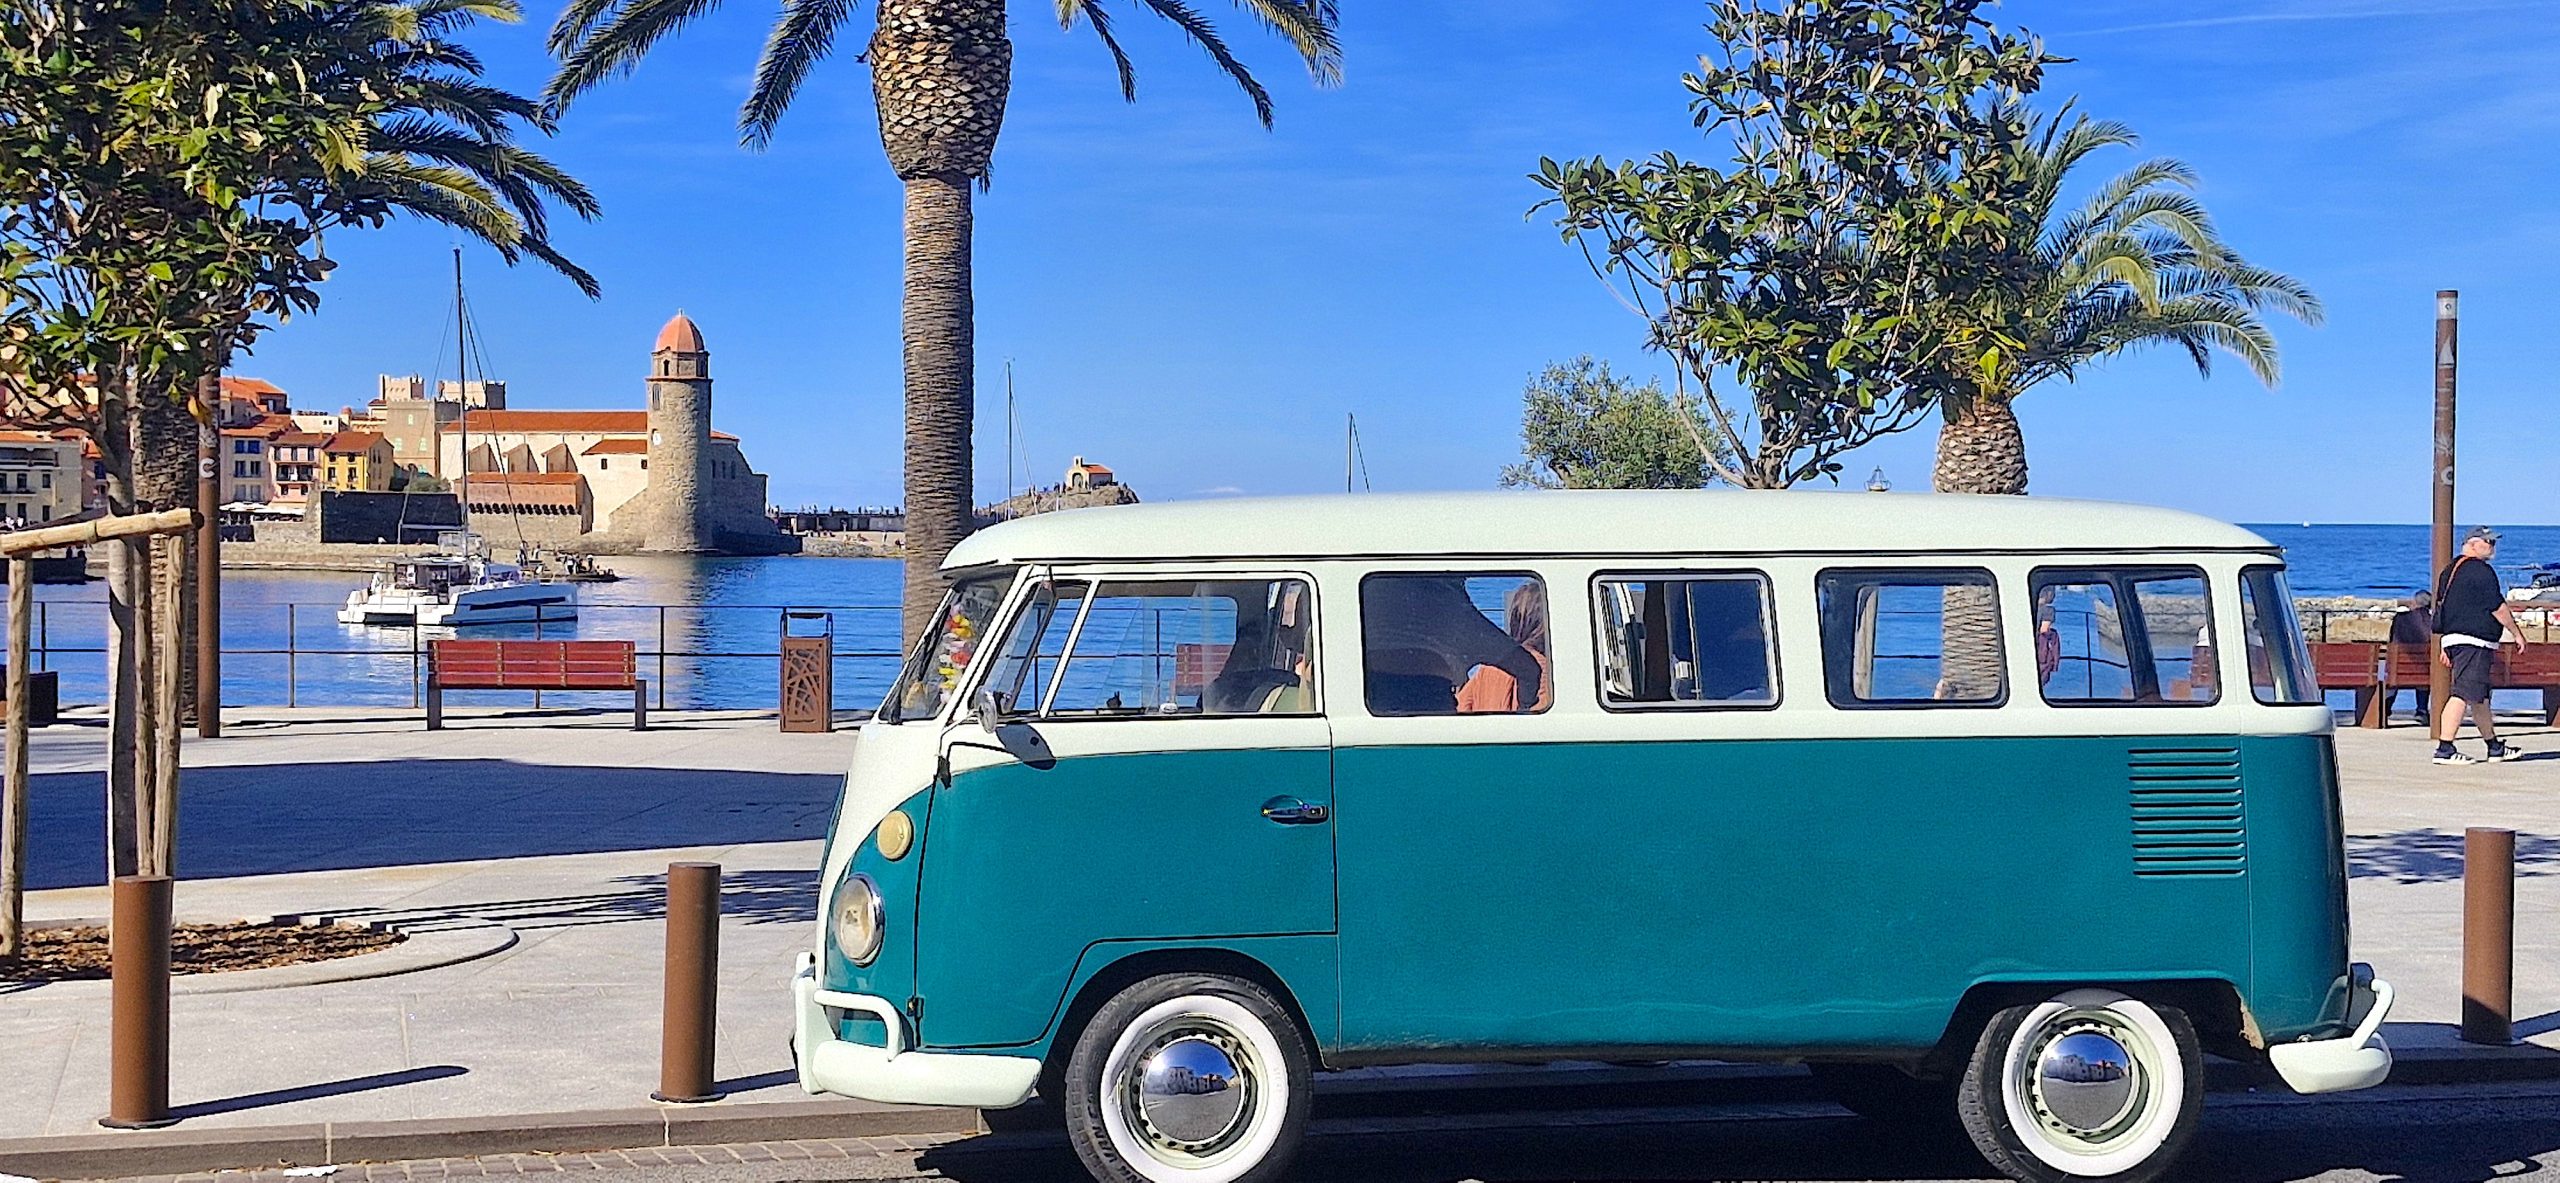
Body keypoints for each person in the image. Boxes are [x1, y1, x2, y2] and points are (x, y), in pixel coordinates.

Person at [2432, 527, 2530, 765]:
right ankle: (2445, 748)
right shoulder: (2481, 571)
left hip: (2457, 639)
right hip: (2474, 641)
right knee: (2462, 693)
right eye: (2488, 542)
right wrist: (2516, 633)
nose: (2493, 547)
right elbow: (2497, 607)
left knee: (2479, 697)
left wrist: (2445, 642)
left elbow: (2445, 607)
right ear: (2472, 543)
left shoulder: (2450, 570)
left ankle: (2494, 746)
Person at [2387, 590, 2434, 724]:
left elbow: (2392, 640)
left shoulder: (2400, 619)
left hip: (2399, 670)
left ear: (2414, 603)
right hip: (2424, 670)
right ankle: (2422, 710)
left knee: (2390, 672)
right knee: (2423, 671)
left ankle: (2385, 708)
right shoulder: (2432, 621)